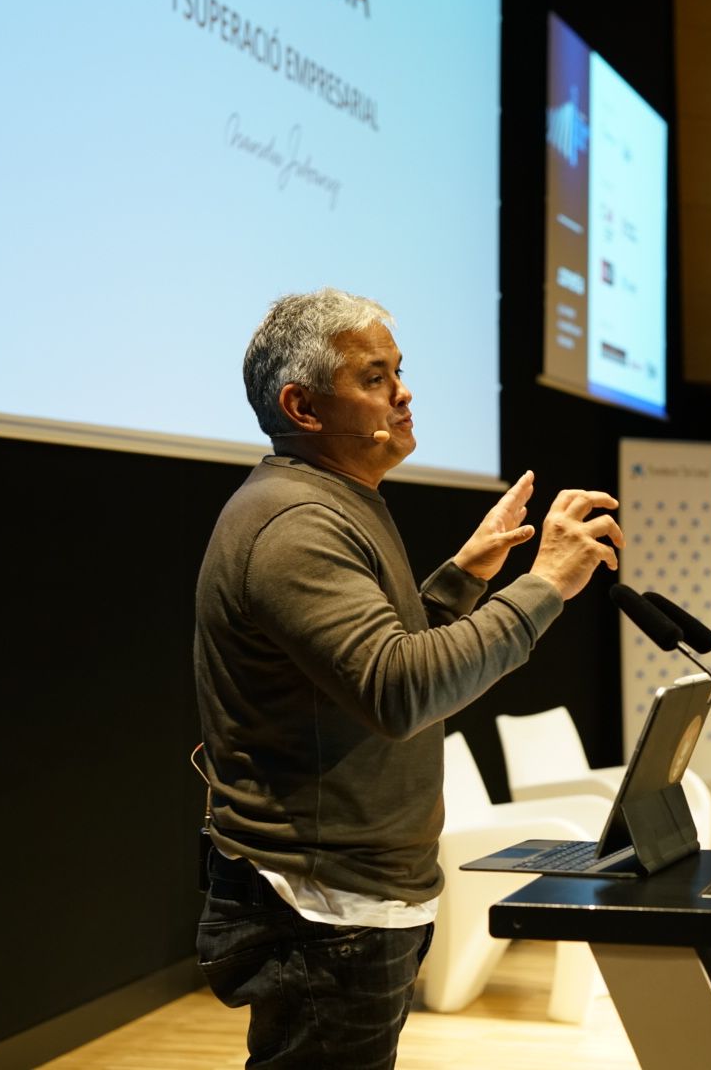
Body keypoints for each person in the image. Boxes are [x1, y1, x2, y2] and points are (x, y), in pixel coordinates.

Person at [192, 289, 623, 1068]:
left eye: (400, 370)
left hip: (355, 894)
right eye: (375, 375)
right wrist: (545, 585)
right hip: (323, 905)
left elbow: (359, 669)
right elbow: (400, 691)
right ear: (304, 405)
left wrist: (463, 578)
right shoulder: (295, 523)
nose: (403, 391)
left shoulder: (333, 502)